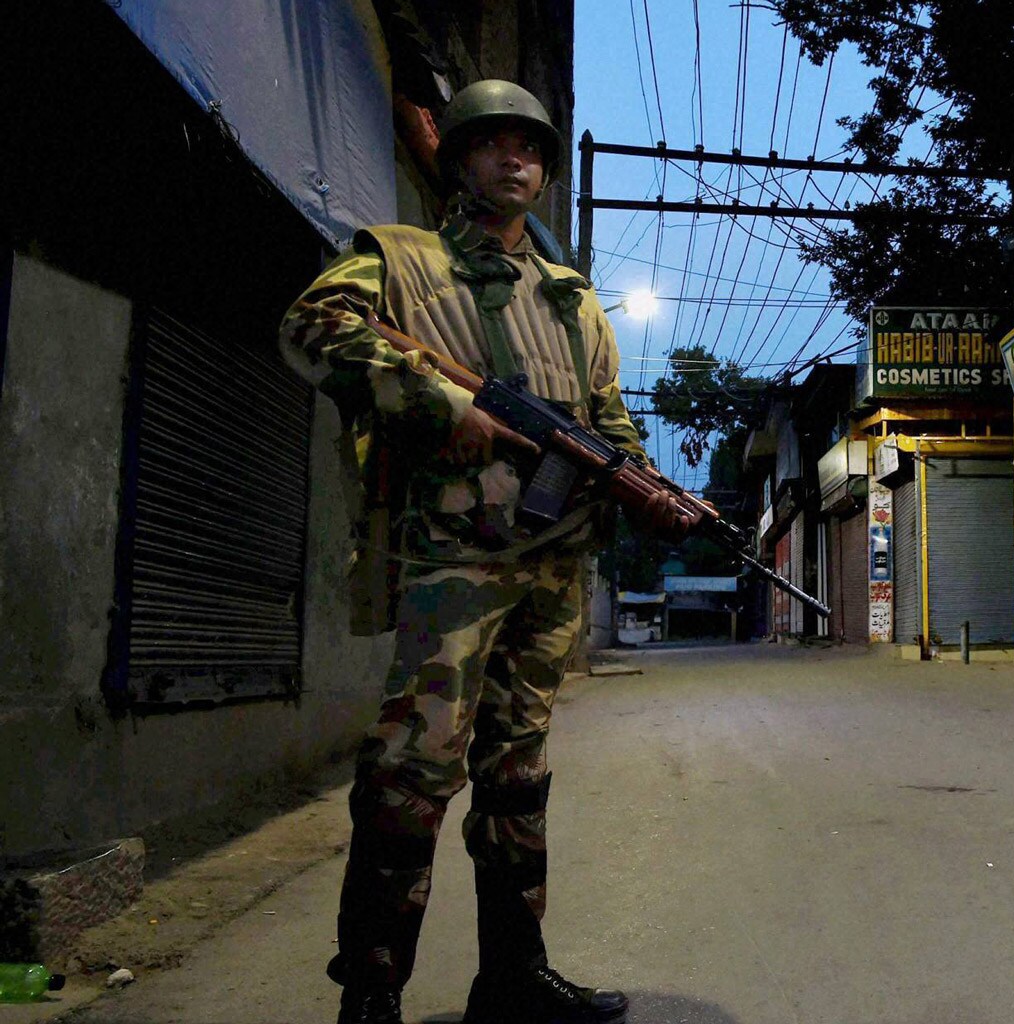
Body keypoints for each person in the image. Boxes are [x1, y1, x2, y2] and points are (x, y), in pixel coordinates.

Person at [280, 80, 676, 1024]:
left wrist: (641, 486)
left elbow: (609, 420)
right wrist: (439, 403)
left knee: (517, 776)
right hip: (452, 561)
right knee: (413, 771)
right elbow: (312, 329)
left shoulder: (575, 303)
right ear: (458, 160)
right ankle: (371, 991)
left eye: (532, 150)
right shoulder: (398, 260)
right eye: (495, 146)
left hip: (549, 566)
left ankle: (513, 976)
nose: (518, 163)